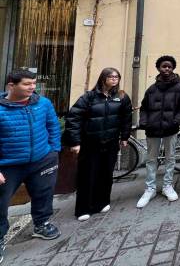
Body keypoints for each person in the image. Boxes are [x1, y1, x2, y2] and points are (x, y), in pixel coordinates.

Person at [0, 69, 61, 263]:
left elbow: (53, 126)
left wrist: (53, 151)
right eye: (27, 84)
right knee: (1, 204)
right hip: (8, 165)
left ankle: (41, 224)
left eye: (34, 83)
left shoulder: (42, 103)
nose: (32, 87)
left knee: (44, 193)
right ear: (11, 85)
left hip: (42, 159)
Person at [64, 68, 133, 221]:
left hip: (110, 142)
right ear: (103, 78)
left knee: (106, 173)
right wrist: (75, 142)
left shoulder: (121, 97)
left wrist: (124, 136)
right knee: (87, 175)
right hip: (91, 143)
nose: (114, 79)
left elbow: (126, 118)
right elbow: (73, 118)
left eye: (117, 77)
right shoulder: (89, 97)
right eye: (111, 76)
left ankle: (102, 202)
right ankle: (83, 208)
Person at [137, 56, 180, 208]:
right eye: (164, 66)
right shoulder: (152, 90)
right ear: (159, 68)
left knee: (170, 158)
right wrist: (144, 122)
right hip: (152, 130)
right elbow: (144, 108)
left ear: (173, 68)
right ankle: (150, 188)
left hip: (170, 129)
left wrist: (176, 121)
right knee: (151, 159)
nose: (167, 69)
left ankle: (168, 186)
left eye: (169, 66)